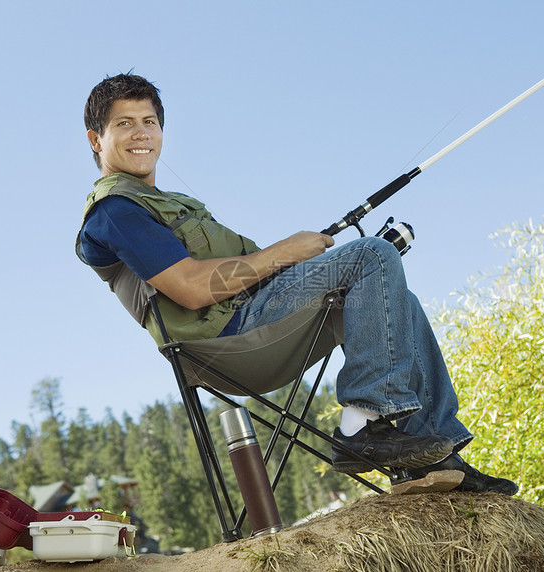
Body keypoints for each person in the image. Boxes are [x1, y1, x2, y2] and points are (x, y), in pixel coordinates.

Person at [76, 73, 517, 495]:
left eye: (149, 122)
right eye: (124, 124)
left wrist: (305, 263)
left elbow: (249, 277)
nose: (141, 134)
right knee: (372, 254)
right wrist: (287, 250)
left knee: (397, 294)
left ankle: (431, 453)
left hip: (254, 320)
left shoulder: (171, 203)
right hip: (224, 344)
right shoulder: (115, 210)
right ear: (97, 140)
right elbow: (191, 288)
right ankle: (360, 427)